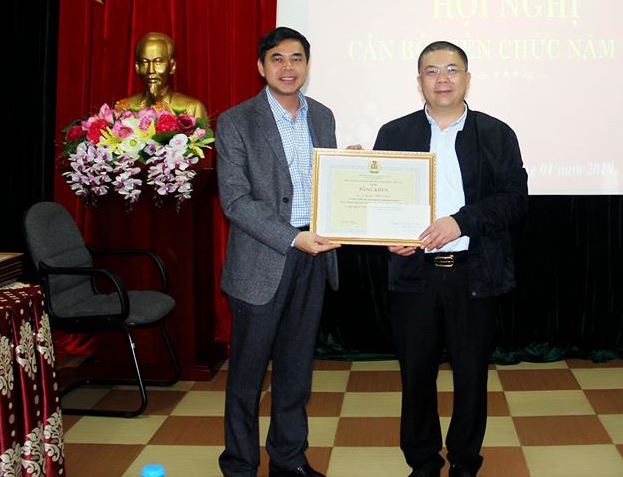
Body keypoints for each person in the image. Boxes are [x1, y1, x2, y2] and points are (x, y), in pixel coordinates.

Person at [373, 41, 528, 477]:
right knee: (415, 376)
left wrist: (461, 223)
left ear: (467, 78)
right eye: (431, 71)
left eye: (452, 69)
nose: (442, 79)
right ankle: (423, 462)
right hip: (414, 275)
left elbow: (515, 199)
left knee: (472, 376)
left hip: (473, 275)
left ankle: (464, 461)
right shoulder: (394, 133)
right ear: (419, 81)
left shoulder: (496, 133)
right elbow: (380, 200)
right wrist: (388, 235)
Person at [216, 27, 340, 477]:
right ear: (261, 66)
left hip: (314, 255)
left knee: (296, 371)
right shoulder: (236, 121)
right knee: (247, 377)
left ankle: (288, 460)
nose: (288, 67)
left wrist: (348, 172)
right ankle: (240, 465)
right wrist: (291, 237)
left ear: (307, 64)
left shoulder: (322, 115)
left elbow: (327, 183)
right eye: (278, 59)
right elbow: (235, 201)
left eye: (297, 58)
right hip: (262, 260)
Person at [117, 32, 208, 119]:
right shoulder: (124, 108)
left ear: (172, 66)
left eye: (158, 62)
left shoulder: (192, 108)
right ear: (137, 67)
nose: (151, 70)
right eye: (145, 62)